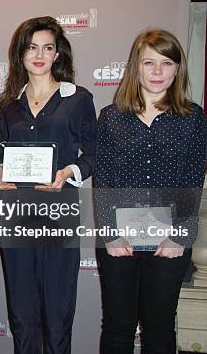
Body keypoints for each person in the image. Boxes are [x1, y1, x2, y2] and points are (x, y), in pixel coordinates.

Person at [95, 29, 207, 353]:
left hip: (169, 240)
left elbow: (191, 180)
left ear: (177, 69)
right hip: (119, 239)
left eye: (166, 63)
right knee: (118, 326)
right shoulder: (111, 117)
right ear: (136, 67)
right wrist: (110, 234)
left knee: (159, 327)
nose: (157, 72)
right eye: (149, 63)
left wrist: (181, 236)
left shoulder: (192, 117)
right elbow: (104, 181)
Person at [0, 16, 97, 354]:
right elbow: (2, 157)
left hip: (59, 213)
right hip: (16, 214)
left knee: (57, 311)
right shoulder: (9, 106)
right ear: (20, 53)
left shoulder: (78, 99)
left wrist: (68, 172)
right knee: (21, 314)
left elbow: (94, 155)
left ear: (57, 54)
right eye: (32, 47)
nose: (39, 54)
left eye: (47, 47)